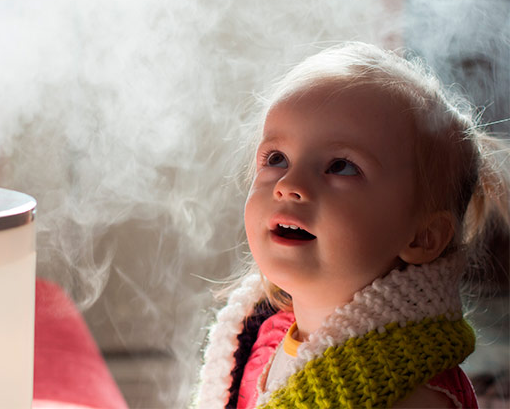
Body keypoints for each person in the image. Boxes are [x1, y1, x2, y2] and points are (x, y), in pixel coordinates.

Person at [197, 42, 510, 408]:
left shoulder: (409, 393)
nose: (288, 186)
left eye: (341, 166)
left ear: (423, 236)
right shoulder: (259, 339)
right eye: (277, 158)